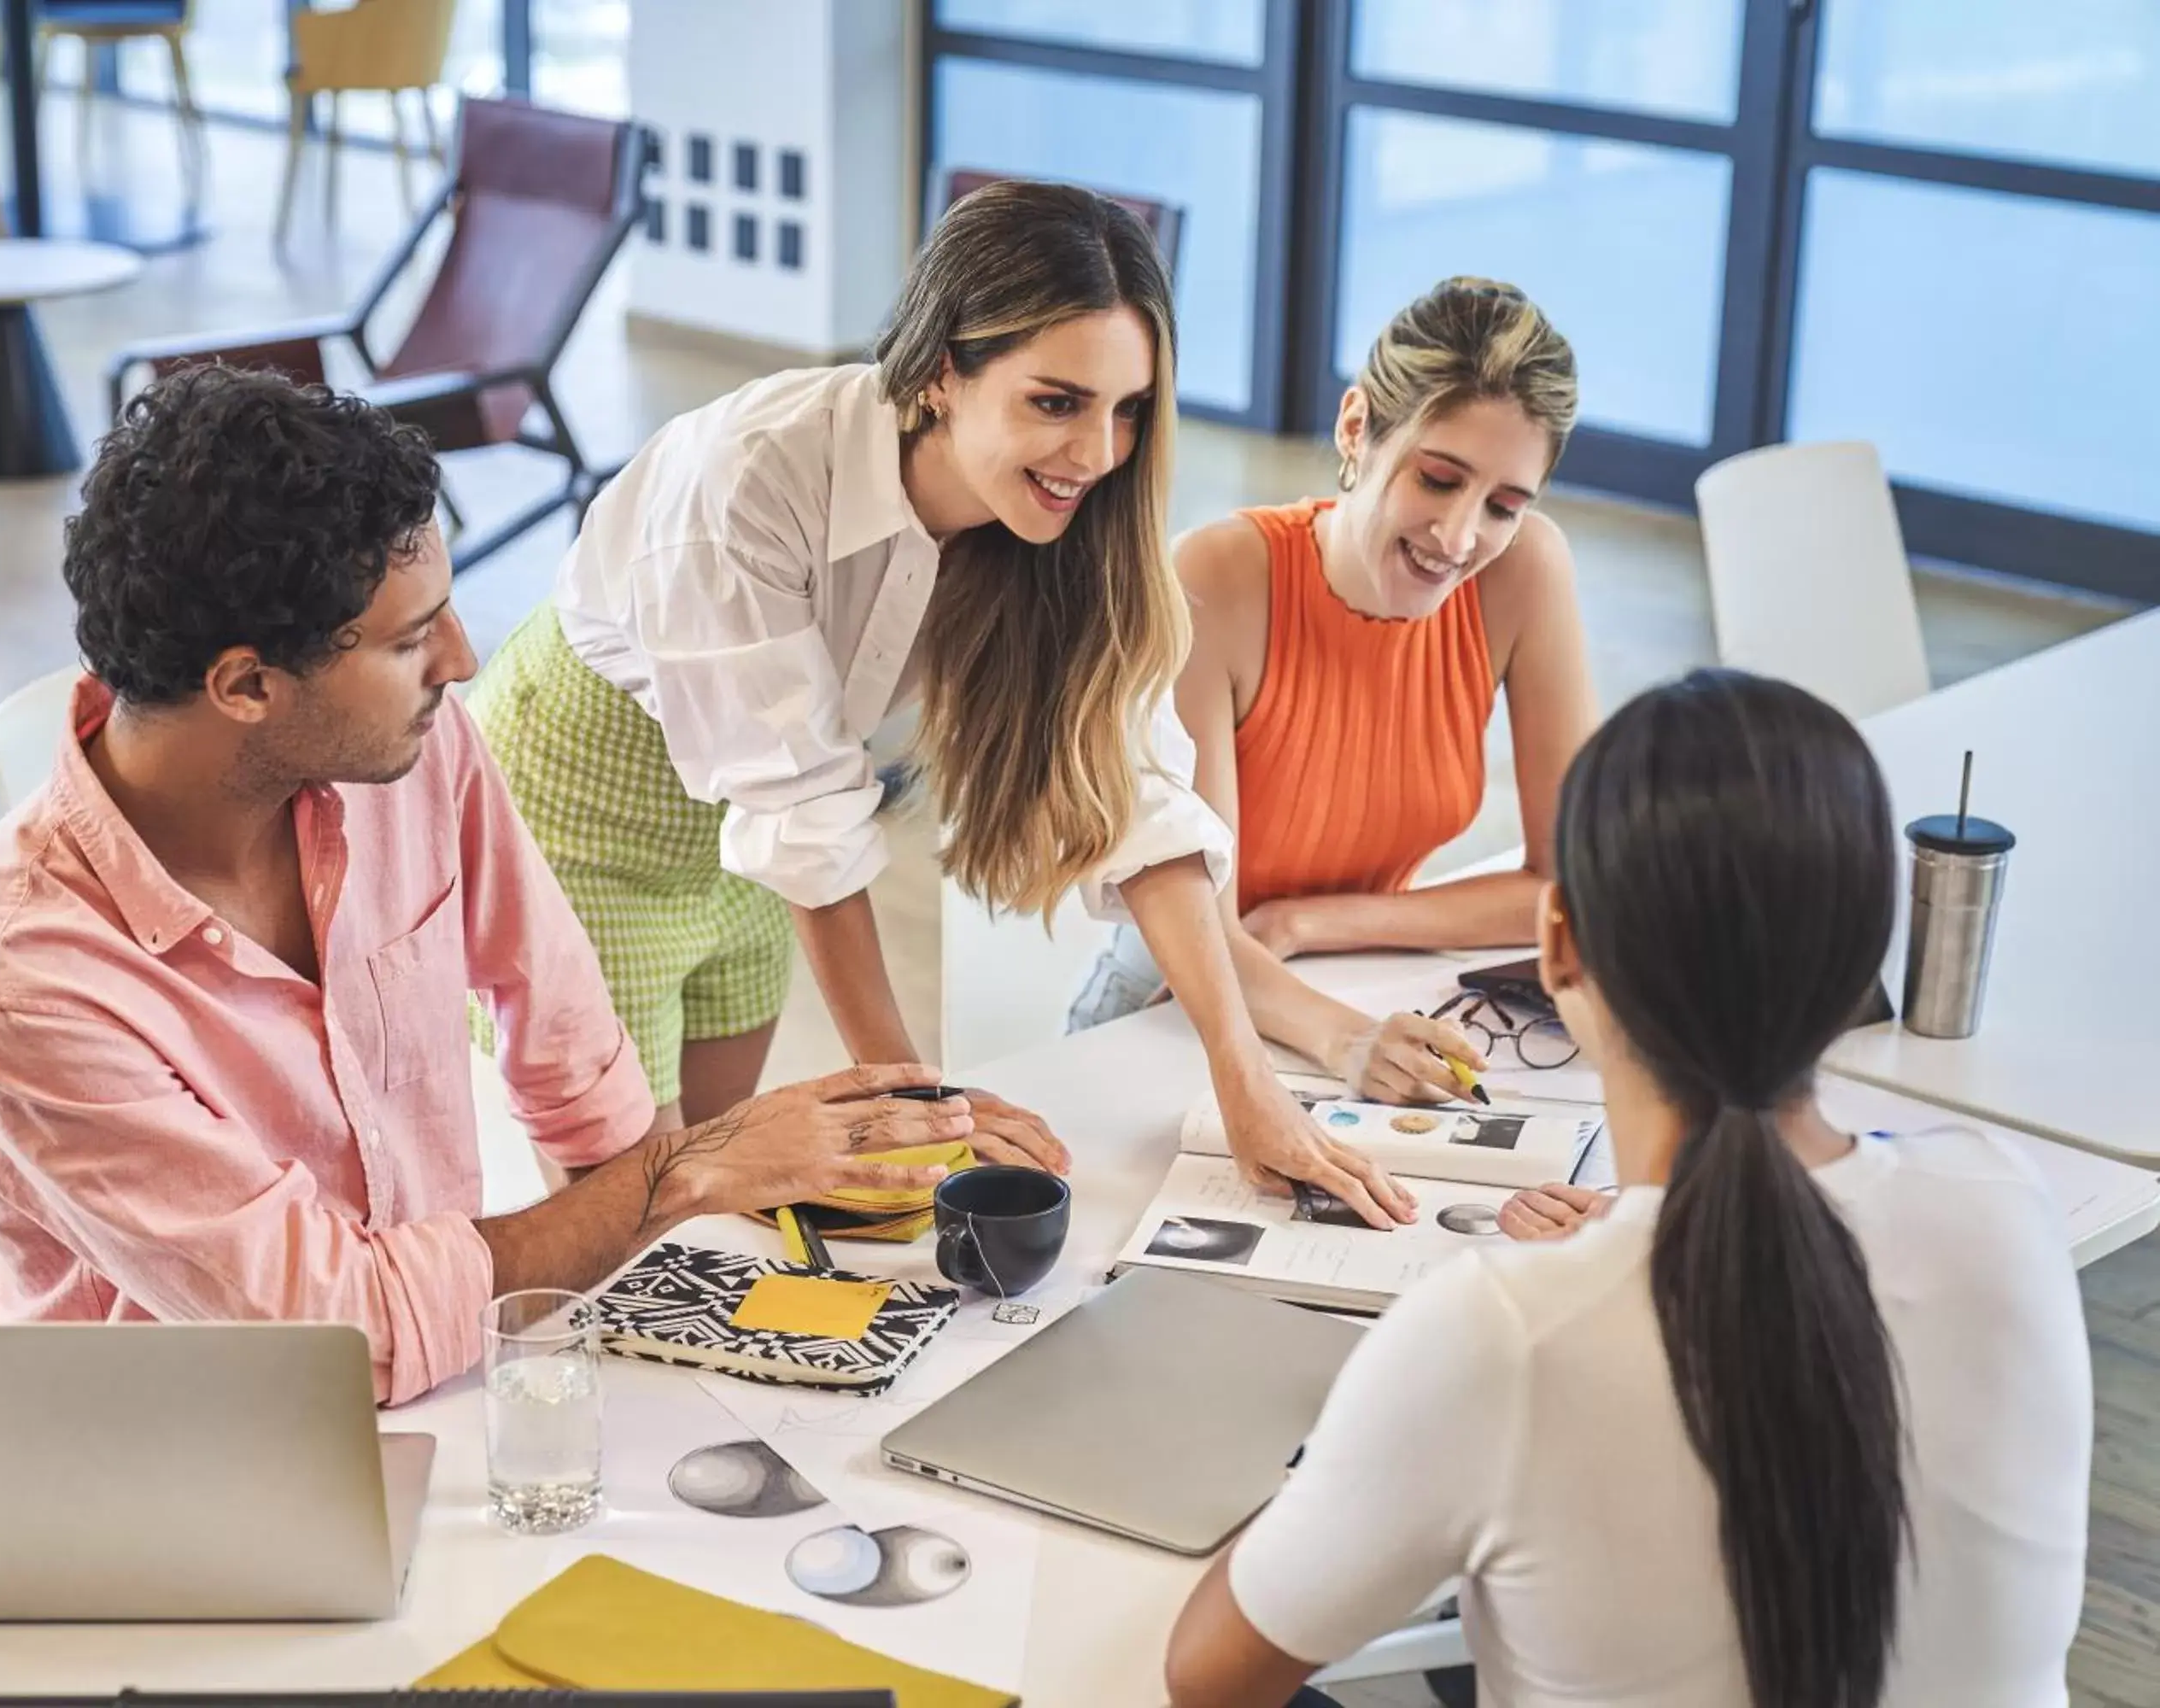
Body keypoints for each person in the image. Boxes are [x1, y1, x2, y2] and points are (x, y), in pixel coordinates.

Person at [0, 367, 975, 1406]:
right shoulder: (19, 985)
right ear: (246, 684)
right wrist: (688, 1169)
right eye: (412, 637)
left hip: (452, 1375)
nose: (463, 661)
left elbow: (564, 1033)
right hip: (206, 1457)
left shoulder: (407, 756)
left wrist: (674, 1299)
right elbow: (339, 1337)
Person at [470, 179, 1415, 1229]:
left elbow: (1138, 796)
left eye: (1128, 408)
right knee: (636, 1212)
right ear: (937, 375)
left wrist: (1248, 1081)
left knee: (717, 1202)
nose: (1099, 455)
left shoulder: (1063, 529)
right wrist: (924, 1100)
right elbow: (810, 834)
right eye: (1056, 402)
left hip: (749, 854)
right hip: (581, 835)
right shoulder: (747, 481)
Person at [1164, 670, 2093, 1707]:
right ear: (1862, 961)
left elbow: (1210, 1679)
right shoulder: (2003, 1206)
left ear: (1557, 944)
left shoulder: (1498, 1333)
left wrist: (1373, 1442)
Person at [1070, 278, 1599, 1107]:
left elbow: (1568, 888)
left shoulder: (1526, 570)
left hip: (1351, 988)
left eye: (1503, 504)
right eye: (1436, 478)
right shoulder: (1216, 579)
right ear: (1358, 427)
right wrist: (1345, 1034)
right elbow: (1205, 924)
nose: (1460, 537)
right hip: (1174, 1007)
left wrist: (1310, 922)